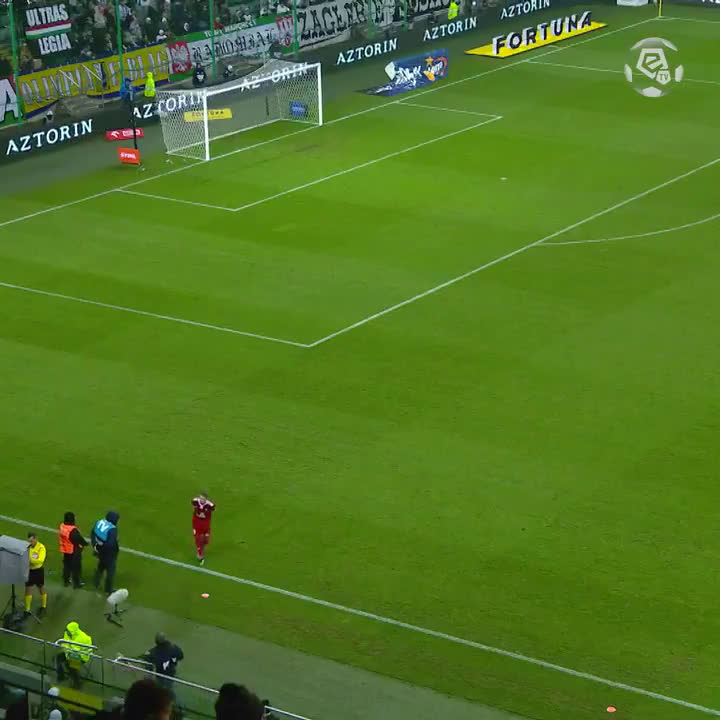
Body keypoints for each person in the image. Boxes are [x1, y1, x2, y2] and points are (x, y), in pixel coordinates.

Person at [55, 621, 93, 686]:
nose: (67, 632)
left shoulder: (83, 638)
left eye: (68, 631)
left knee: (71, 666)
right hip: (69, 653)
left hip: (82, 656)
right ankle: (61, 676)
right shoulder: (67, 633)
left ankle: (77, 683)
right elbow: (65, 643)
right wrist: (66, 650)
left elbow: (77, 652)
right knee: (58, 658)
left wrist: (68, 653)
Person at [92, 511, 120, 594]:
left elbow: (93, 534)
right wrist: (115, 541)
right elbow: (110, 544)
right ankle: (108, 590)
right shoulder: (112, 529)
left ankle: (96, 583)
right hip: (108, 554)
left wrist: (95, 546)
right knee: (110, 572)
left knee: (100, 567)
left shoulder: (99, 522)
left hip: (99, 551)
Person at [59, 512, 88, 589]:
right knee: (76, 568)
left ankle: (66, 581)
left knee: (66, 566)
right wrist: (85, 543)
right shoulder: (72, 530)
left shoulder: (62, 526)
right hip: (73, 550)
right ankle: (76, 584)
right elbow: (78, 539)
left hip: (65, 549)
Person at [25, 533, 47, 618]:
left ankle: (43, 606)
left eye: (31, 541)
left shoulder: (41, 547)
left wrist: (30, 560)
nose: (30, 543)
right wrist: (31, 560)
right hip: (29, 571)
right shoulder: (27, 547)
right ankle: (27, 609)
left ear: (35, 539)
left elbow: (40, 560)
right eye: (29, 541)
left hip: (38, 571)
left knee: (41, 588)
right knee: (28, 589)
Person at [191, 491, 215, 565]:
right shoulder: (195, 501)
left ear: (206, 499)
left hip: (205, 523)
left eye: (203, 499)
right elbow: (194, 508)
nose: (201, 500)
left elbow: (212, 511)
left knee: (206, 540)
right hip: (196, 522)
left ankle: (202, 547)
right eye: (200, 498)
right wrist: (197, 513)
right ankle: (199, 554)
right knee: (198, 539)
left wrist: (205, 514)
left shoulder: (210, 505)